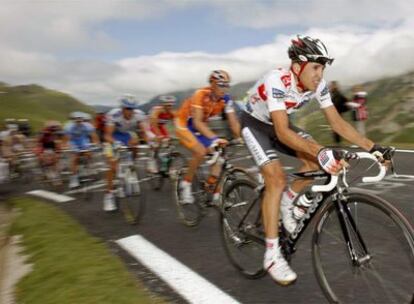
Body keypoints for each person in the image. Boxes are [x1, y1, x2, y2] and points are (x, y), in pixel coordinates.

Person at [241, 35, 393, 285]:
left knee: (316, 160)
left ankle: (288, 202)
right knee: (276, 179)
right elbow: (281, 132)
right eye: (315, 67)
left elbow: (336, 122)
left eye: (322, 68)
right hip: (255, 125)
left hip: (280, 123)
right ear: (298, 66)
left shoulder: (318, 85)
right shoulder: (277, 79)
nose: (320, 75)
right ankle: (271, 254)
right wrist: (320, 150)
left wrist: (373, 147)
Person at [174, 70, 241, 204]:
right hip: (184, 125)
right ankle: (185, 184)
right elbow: (198, 122)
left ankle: (213, 190)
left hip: (199, 127)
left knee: (220, 155)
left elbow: (233, 122)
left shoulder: (226, 99)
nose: (224, 89)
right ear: (212, 84)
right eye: (220, 85)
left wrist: (240, 137)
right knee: (200, 151)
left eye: (226, 85)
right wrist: (214, 139)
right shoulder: (200, 94)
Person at [102, 94, 153, 211]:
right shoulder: (114, 115)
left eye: (132, 109)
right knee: (112, 165)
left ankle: (131, 170)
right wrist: (115, 143)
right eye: (127, 109)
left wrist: (150, 140)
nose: (130, 112)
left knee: (135, 145)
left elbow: (145, 131)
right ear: (122, 108)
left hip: (126, 135)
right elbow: (107, 135)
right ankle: (108, 195)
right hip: (113, 137)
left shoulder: (139, 115)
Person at [63, 111, 100, 189]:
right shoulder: (69, 127)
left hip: (83, 140)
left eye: (80, 120)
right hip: (73, 141)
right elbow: (67, 139)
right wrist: (66, 146)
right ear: (73, 120)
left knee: (89, 153)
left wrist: (96, 144)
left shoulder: (88, 126)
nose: (78, 121)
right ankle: (73, 179)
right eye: (76, 120)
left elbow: (94, 136)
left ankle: (91, 168)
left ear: (83, 120)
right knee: (75, 157)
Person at [148, 95, 177, 173]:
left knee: (169, 143)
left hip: (161, 127)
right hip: (151, 126)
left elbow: (178, 125)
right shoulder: (157, 110)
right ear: (162, 105)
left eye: (170, 105)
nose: (169, 107)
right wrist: (159, 136)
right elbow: (153, 125)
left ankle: (168, 164)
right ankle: (151, 162)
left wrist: (180, 134)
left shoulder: (172, 113)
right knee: (157, 142)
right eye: (167, 105)